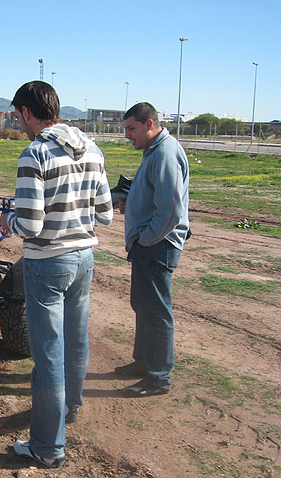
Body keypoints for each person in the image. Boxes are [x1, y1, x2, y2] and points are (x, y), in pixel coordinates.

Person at [0, 81, 113, 468]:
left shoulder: (35, 153)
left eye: (18, 116)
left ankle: (47, 447)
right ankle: (70, 408)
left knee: (47, 353)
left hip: (47, 261)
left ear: (27, 112)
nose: (20, 123)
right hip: (84, 257)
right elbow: (105, 215)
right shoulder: (93, 149)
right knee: (75, 339)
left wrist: (7, 219)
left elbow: (29, 225)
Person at [115, 102, 189, 396]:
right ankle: (143, 362)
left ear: (149, 124)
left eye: (131, 129)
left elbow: (171, 210)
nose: (127, 135)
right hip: (148, 244)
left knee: (157, 312)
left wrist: (146, 239)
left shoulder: (165, 153)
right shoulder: (154, 151)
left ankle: (158, 377)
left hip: (157, 246)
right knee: (143, 306)